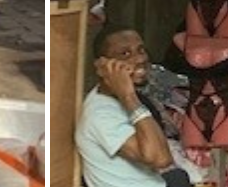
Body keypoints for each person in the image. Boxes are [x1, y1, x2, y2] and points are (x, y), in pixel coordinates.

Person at [78, 25, 187, 187]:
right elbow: (161, 159)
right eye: (125, 54)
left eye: (141, 50)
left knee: (180, 177)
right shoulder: (101, 114)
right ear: (102, 67)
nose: (140, 59)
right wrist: (128, 96)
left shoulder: (123, 100)